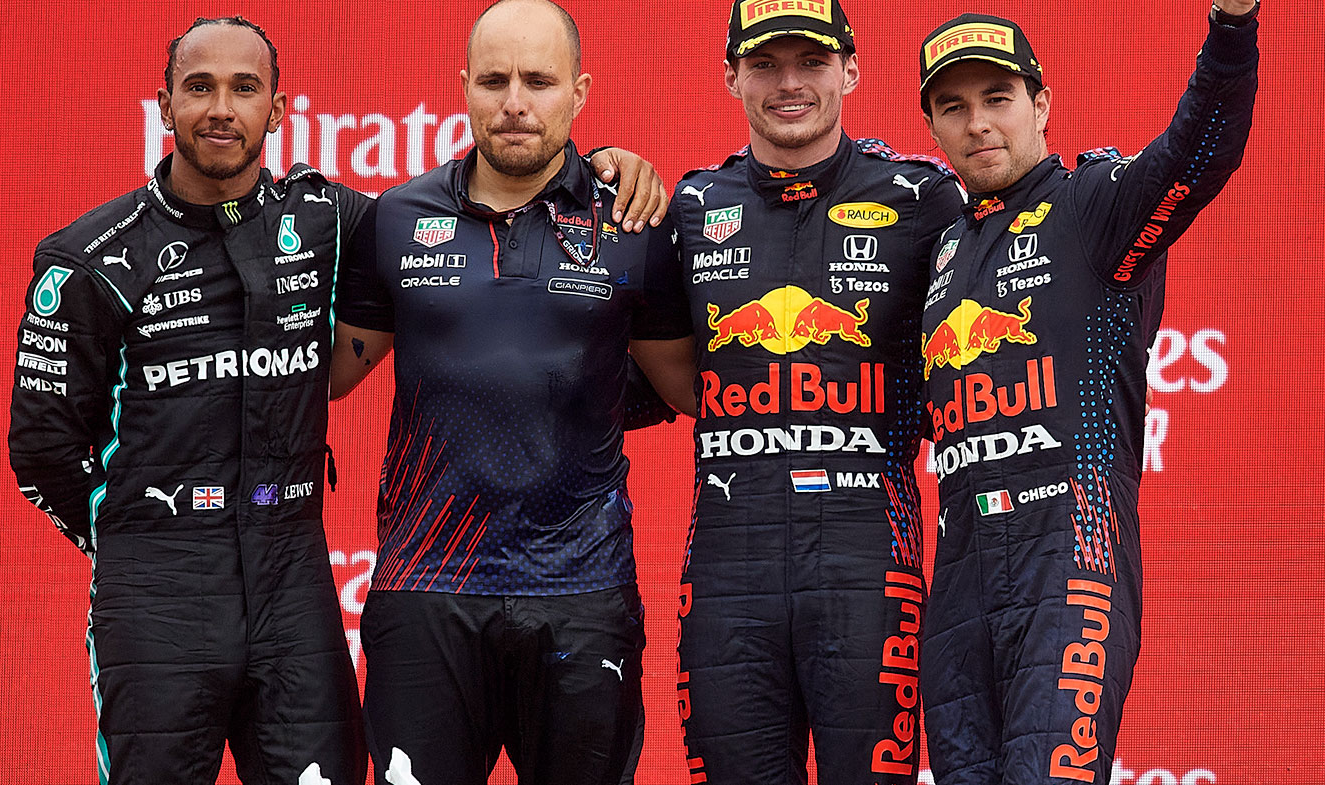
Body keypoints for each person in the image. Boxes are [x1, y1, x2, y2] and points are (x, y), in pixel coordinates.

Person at [6, 14, 664, 785]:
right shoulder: (88, 257)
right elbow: (42, 449)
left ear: (277, 110)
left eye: (244, 89)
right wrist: (135, 539)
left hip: (291, 576)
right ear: (164, 104)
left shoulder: (333, 220)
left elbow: (498, 217)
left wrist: (604, 166)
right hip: (160, 587)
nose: (221, 108)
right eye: (200, 88)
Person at [328, 1, 692, 783]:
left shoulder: (633, 223)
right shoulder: (396, 218)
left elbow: (692, 389)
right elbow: (328, 374)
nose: (515, 102)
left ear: (579, 92)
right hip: (425, 588)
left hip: (582, 591)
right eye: (494, 81)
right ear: (464, 86)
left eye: (539, 81)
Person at [915, 6, 1257, 783]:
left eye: (998, 98)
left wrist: (1233, 26)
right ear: (932, 127)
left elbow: (1198, 151)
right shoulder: (939, 248)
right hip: (959, 579)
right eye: (953, 107)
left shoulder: (1092, 205)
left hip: (1070, 561)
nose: (978, 123)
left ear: (1041, 105)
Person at [658, 1, 965, 782]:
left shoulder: (924, 198)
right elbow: (641, 375)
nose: (788, 83)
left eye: (812, 62)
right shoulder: (691, 208)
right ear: (731, 78)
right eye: (764, 64)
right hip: (728, 571)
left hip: (870, 564)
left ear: (850, 71)